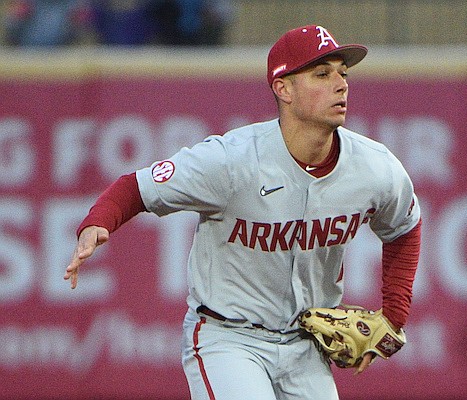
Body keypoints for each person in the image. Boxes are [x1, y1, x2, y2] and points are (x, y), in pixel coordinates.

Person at [64, 24, 422, 400]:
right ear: (283, 88)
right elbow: (135, 187)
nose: (341, 83)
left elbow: (404, 228)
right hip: (230, 339)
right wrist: (97, 223)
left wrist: (393, 317)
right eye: (322, 74)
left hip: (307, 346)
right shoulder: (231, 160)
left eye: (343, 73)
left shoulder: (374, 167)